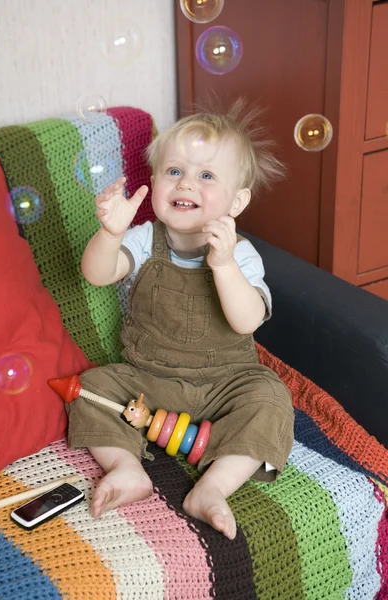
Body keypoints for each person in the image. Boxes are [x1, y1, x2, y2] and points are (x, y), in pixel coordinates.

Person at [67, 99, 294, 540]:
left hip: (226, 382)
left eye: (207, 175)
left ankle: (212, 487)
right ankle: (126, 468)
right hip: (148, 381)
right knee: (91, 388)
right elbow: (97, 275)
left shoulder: (240, 253)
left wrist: (223, 264)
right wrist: (109, 234)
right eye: (175, 171)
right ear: (153, 183)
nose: (186, 182)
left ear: (237, 200)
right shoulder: (143, 237)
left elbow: (247, 321)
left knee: (270, 399)